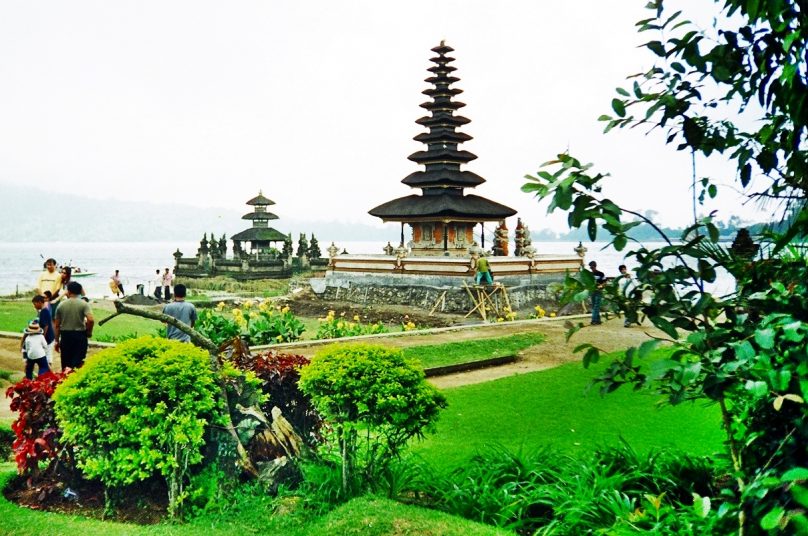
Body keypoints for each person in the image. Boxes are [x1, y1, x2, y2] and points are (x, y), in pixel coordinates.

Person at [54, 281, 94, 370]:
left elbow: (57, 325)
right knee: (79, 363)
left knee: (66, 363)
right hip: (80, 336)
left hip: (65, 336)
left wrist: (57, 340)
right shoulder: (84, 304)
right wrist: (89, 332)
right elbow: (91, 320)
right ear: (80, 292)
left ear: (68, 291)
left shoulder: (61, 305)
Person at [32, 295, 55, 365]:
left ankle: (47, 373)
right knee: (47, 356)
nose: (34, 306)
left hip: (47, 338)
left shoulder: (44, 311)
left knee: (46, 358)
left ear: (39, 302)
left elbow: (46, 326)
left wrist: (42, 338)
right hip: (50, 337)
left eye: (34, 304)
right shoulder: (43, 311)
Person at [588, 260, 606, 325]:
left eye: (592, 267)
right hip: (592, 291)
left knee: (596, 306)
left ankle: (594, 320)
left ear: (595, 266)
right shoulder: (589, 275)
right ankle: (598, 320)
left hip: (598, 291)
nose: (592, 268)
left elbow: (604, 282)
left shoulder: (601, 274)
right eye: (591, 267)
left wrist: (601, 286)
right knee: (594, 306)